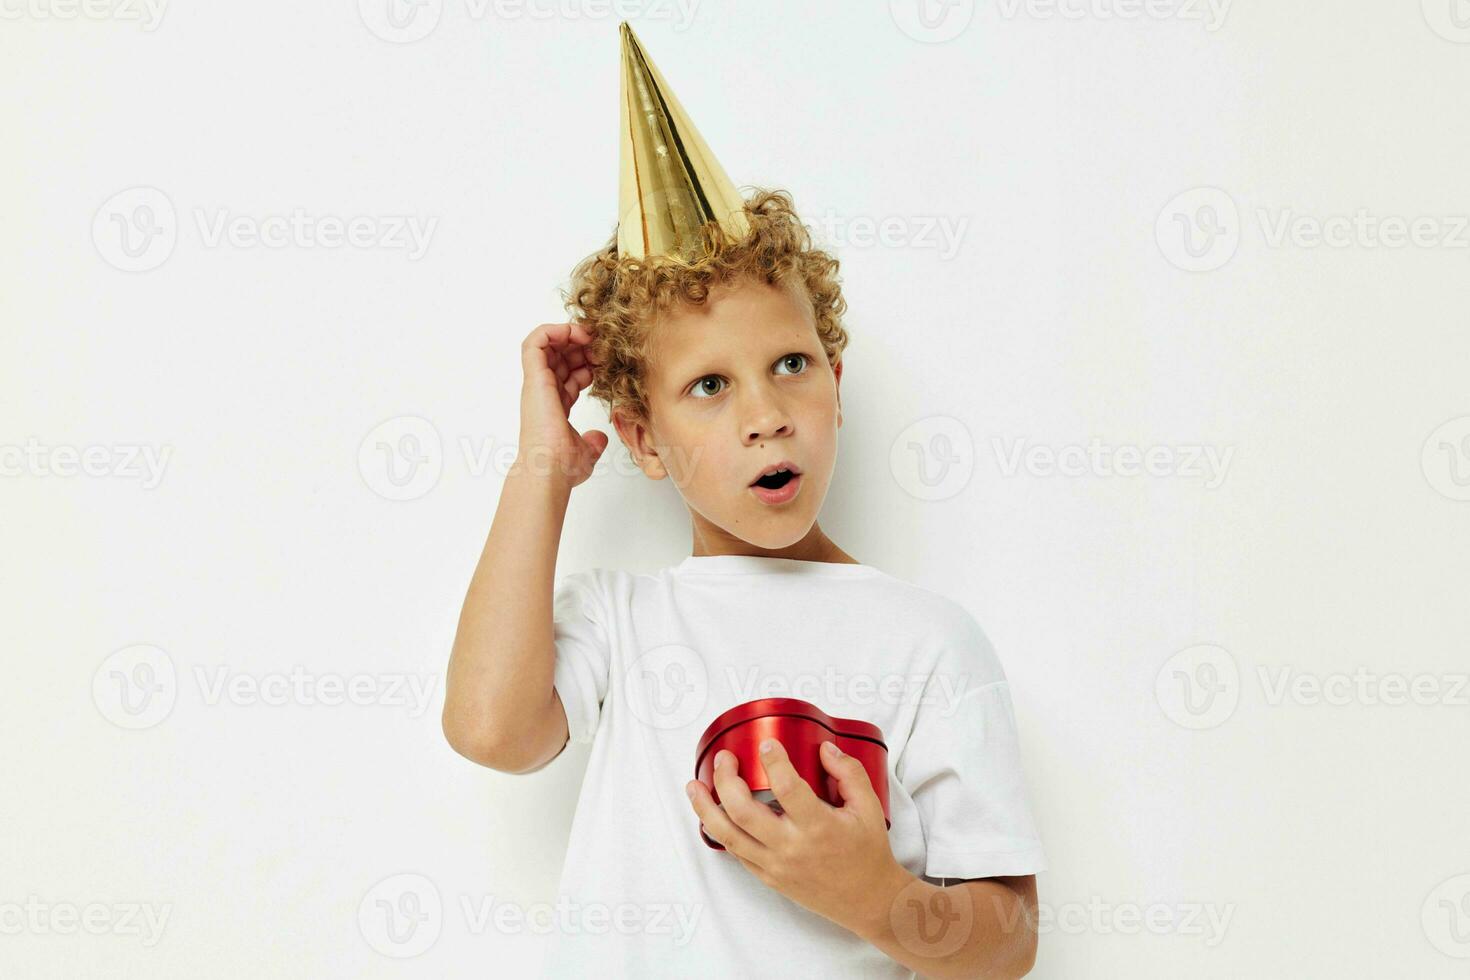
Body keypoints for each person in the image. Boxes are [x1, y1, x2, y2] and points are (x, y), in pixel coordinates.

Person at [442, 22, 1046, 979]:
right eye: (710, 387)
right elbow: (490, 730)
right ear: (642, 438)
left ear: (836, 383)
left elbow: (1009, 940)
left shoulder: (930, 641)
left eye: (791, 366)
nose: (766, 415)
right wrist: (542, 472)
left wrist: (878, 899)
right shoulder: (623, 620)